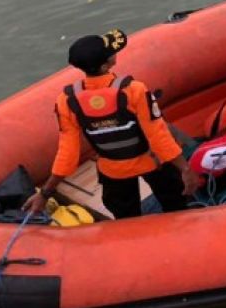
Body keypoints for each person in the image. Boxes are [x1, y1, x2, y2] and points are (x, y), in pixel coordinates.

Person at [24, 29, 199, 218]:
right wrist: (186, 169)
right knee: (177, 206)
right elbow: (159, 136)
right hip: (151, 162)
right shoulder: (133, 90)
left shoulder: (67, 100)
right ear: (108, 62)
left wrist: (45, 193)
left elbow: (68, 154)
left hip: (113, 171)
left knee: (127, 221)